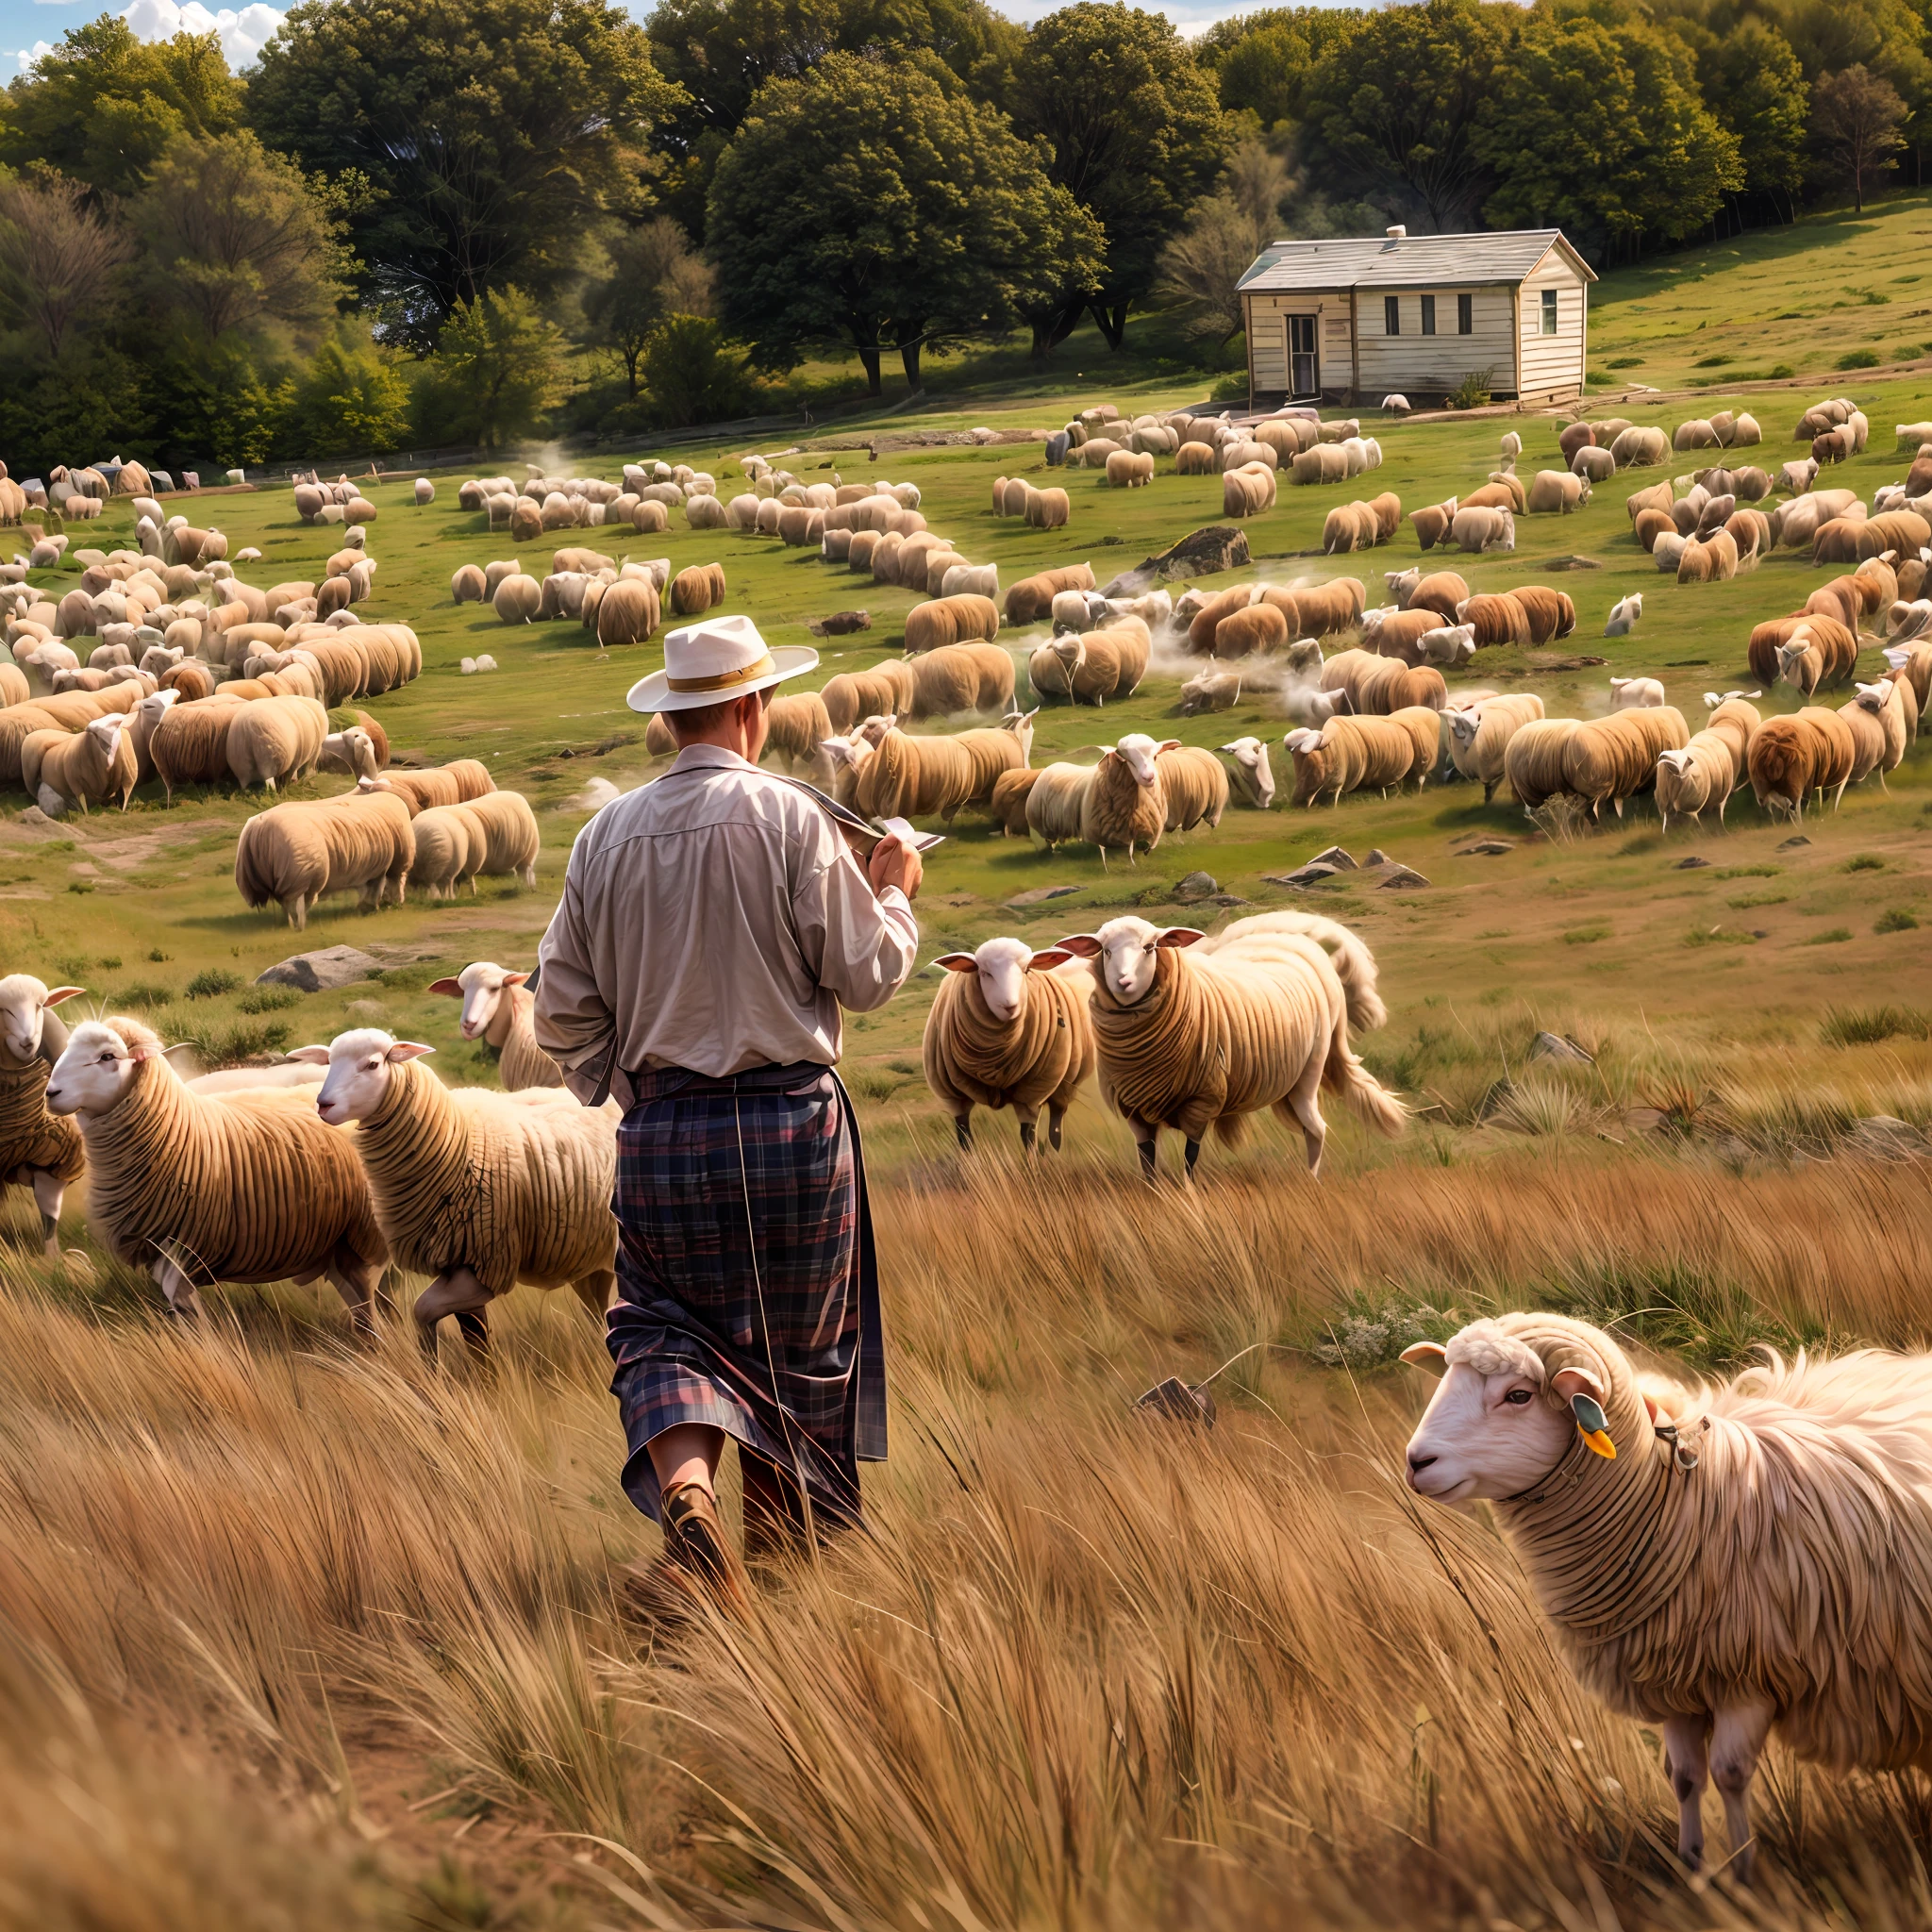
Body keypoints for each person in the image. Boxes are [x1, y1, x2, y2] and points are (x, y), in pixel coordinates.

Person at [533, 613, 922, 1607]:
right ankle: (792, 1577)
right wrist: (895, 895)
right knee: (802, 1351)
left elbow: (560, 1011)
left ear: (671, 720)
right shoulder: (790, 818)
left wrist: (634, 1091)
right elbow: (867, 973)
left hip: (664, 1131)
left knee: (662, 1330)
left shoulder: (600, 836)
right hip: (793, 1123)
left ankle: (691, 1494)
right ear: (755, 707)